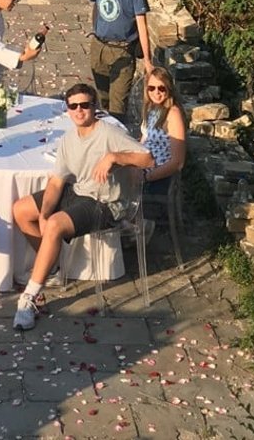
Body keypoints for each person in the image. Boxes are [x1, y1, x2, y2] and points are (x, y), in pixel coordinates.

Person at [11, 80, 153, 331]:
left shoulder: (109, 133)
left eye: (85, 105)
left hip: (106, 202)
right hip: (79, 191)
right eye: (73, 106)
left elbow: (147, 159)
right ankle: (52, 268)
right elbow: (57, 182)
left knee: (55, 225)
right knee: (22, 210)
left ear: (94, 106)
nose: (79, 110)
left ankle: (30, 296)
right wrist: (44, 213)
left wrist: (115, 157)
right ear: (67, 110)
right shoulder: (68, 139)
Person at [87, 0, 151, 124]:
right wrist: (96, 30)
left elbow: (142, 24)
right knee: (102, 99)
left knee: (117, 107)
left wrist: (147, 60)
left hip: (122, 50)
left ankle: (118, 136)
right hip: (99, 48)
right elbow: (96, 5)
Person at [140, 65, 187, 190]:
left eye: (161, 88)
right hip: (144, 169)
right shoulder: (152, 108)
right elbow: (145, 140)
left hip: (159, 178)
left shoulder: (173, 114)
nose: (156, 92)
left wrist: (147, 178)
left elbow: (178, 162)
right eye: (151, 88)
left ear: (168, 89)